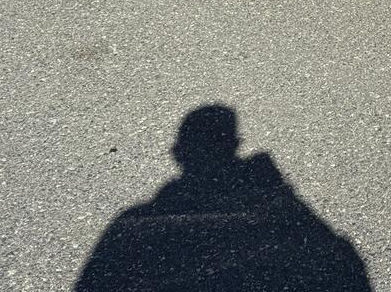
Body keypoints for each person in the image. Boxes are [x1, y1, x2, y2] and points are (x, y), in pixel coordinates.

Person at [75, 105, 370, 291]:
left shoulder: (135, 221)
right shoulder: (276, 206)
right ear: (235, 145)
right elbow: (344, 264)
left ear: (178, 153)